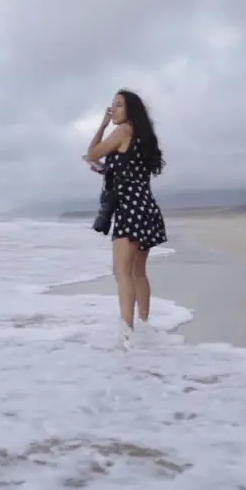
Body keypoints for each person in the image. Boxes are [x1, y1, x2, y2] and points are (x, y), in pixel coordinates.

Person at [83, 89, 167, 346]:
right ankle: (143, 328)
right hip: (147, 208)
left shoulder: (123, 131)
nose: (114, 109)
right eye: (112, 106)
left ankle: (126, 335)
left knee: (122, 273)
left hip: (129, 209)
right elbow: (129, 170)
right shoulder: (144, 137)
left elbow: (93, 152)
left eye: (119, 106)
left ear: (131, 109)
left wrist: (102, 124)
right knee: (138, 273)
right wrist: (109, 170)